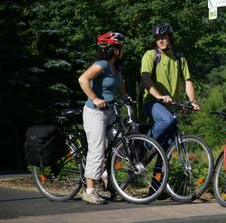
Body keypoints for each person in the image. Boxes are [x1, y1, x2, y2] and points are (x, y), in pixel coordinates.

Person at [78, 32, 128, 204]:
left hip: (110, 110)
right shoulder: (101, 65)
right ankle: (89, 190)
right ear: (113, 49)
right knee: (97, 149)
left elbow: (119, 84)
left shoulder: (116, 67)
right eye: (121, 47)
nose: (123, 50)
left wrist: (125, 97)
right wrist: (95, 98)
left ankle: (106, 174)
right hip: (95, 113)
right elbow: (83, 79)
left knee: (121, 143)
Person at [140, 23, 200, 149]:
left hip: (171, 105)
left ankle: (159, 168)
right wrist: (159, 96)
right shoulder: (150, 55)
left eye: (163, 37)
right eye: (157, 38)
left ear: (170, 38)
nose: (160, 40)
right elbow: (145, 78)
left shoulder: (179, 58)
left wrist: (193, 101)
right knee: (167, 120)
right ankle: (143, 146)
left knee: (171, 140)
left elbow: (188, 81)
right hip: (152, 102)